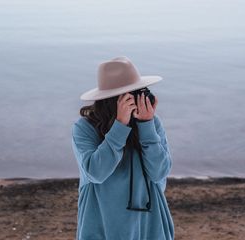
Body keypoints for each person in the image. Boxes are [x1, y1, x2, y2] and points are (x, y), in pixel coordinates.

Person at [71, 56, 174, 240]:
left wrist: (146, 125)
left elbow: (159, 173)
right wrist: (120, 126)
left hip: (148, 221)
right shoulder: (85, 128)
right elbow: (96, 172)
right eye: (130, 94)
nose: (137, 99)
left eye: (138, 92)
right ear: (112, 100)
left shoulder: (151, 124)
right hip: (102, 221)